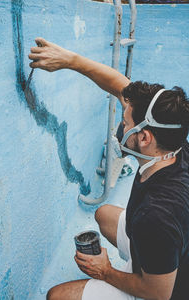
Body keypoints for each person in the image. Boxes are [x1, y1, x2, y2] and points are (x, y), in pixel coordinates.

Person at [28, 38, 189, 300]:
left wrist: (106, 271)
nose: (121, 127)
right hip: (164, 254)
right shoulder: (175, 145)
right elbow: (119, 86)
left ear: (145, 137)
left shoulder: (157, 216)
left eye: (125, 123)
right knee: (104, 214)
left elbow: (158, 293)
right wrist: (71, 60)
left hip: (164, 287)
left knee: (56, 296)